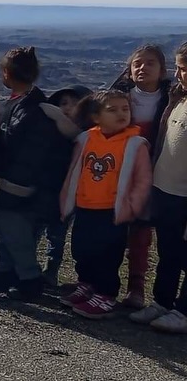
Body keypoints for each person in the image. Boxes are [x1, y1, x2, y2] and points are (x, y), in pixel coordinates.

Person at [0, 48, 73, 301]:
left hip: (21, 184)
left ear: (7, 73)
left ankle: (29, 279)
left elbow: (30, 153)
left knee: (16, 231)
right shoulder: (23, 102)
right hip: (17, 180)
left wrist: (14, 180)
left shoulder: (32, 110)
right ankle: (4, 270)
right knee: (4, 225)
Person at [58, 90, 152, 320]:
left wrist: (132, 206)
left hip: (112, 211)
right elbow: (74, 170)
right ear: (96, 117)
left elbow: (143, 179)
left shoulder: (135, 143)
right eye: (112, 110)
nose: (121, 114)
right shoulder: (86, 139)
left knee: (108, 254)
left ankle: (106, 293)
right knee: (82, 248)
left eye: (125, 109)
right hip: (85, 205)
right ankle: (86, 283)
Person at [109, 44, 171, 308]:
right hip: (116, 172)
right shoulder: (116, 98)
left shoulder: (171, 100)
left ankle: (136, 287)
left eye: (150, 63)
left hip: (151, 175)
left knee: (141, 234)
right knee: (111, 230)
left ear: (162, 70)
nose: (142, 68)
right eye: (137, 64)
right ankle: (104, 283)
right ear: (129, 69)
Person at [131, 42, 187, 332]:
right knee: (168, 251)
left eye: (185, 69)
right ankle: (162, 302)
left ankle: (184, 310)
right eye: (179, 68)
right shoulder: (177, 100)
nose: (181, 75)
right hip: (165, 189)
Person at [40, 85, 93, 286]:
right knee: (38, 228)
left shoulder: (88, 136)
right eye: (63, 103)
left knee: (57, 233)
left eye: (74, 103)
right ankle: (29, 267)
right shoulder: (50, 133)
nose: (68, 108)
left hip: (71, 194)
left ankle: (51, 270)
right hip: (47, 189)